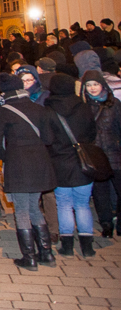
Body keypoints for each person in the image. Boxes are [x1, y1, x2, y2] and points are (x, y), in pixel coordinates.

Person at [0, 73, 57, 270]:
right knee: (34, 207)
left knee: (21, 210)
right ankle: (46, 253)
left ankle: (29, 257)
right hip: (39, 164)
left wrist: (7, 157)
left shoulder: (4, 111)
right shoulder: (38, 108)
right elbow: (48, 139)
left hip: (18, 164)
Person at [45, 73, 98, 258]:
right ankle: (87, 247)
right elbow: (92, 133)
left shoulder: (49, 110)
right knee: (83, 204)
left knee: (64, 205)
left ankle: (67, 246)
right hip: (83, 163)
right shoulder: (84, 107)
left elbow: (47, 139)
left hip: (59, 163)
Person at [82, 71, 121, 237]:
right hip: (96, 156)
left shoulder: (114, 104)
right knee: (100, 193)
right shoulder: (84, 106)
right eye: (88, 85)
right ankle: (106, 224)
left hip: (115, 153)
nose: (92, 88)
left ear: (102, 85)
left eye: (95, 84)